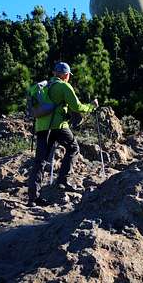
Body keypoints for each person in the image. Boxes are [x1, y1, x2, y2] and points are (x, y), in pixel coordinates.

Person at [27, 62, 98, 207]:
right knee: (73, 148)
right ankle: (62, 180)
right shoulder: (64, 86)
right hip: (58, 126)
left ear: (55, 73)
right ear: (66, 75)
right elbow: (77, 106)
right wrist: (91, 106)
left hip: (41, 127)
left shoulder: (45, 86)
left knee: (40, 161)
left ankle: (33, 198)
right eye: (68, 76)